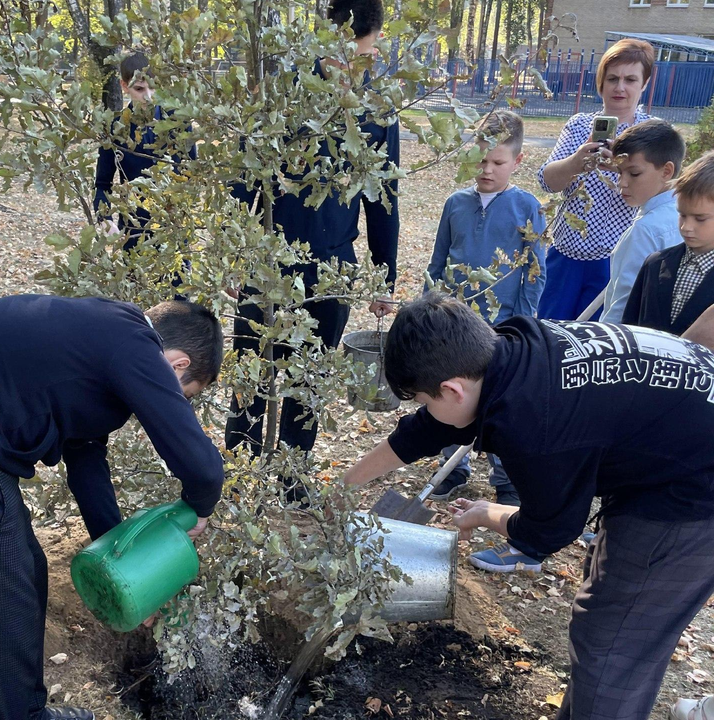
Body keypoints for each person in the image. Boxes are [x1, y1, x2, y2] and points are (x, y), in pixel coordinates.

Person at [343, 293, 714, 720]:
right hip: (675, 444)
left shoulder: (535, 427)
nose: (427, 411)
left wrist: (486, 513)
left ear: (451, 388)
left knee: (614, 643)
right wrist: (346, 485)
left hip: (692, 494)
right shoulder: (509, 348)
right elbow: (426, 428)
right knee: (605, 622)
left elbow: (549, 531)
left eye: (426, 400)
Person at [0, 296, 225, 720]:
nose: (176, 399)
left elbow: (86, 465)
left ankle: (21, 709)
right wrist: (200, 506)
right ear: (177, 365)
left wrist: (126, 566)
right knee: (6, 589)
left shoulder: (102, 337)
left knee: (17, 574)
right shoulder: (135, 344)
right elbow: (201, 466)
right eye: (183, 393)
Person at [225, 0, 399, 494]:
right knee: (254, 368)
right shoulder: (281, 94)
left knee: (310, 377)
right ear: (323, 41)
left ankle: (291, 477)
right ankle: (239, 473)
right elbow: (243, 180)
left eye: (360, 59)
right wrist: (238, 254)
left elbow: (383, 198)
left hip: (333, 267)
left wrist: (383, 275)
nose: (348, 71)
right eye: (339, 58)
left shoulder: (378, 109)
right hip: (268, 261)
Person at [424, 109, 547, 519]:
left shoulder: (528, 207)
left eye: (497, 162)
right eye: (480, 160)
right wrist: (432, 312)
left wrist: (522, 324)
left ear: (517, 161)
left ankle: (505, 479)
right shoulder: (455, 204)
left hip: (499, 328)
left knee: (500, 401)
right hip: (455, 327)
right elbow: (438, 264)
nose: (487, 170)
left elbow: (534, 272)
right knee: (448, 393)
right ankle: (452, 469)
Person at [537, 38, 655, 321]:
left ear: (645, 84)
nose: (620, 87)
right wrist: (577, 161)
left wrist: (622, 167)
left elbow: (660, 192)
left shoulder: (651, 133)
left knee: (597, 344)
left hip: (616, 261)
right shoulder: (578, 125)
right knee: (552, 335)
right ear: (601, 81)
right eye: (612, 78)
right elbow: (547, 181)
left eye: (630, 79)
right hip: (565, 256)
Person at [93, 52, 195, 251]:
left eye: (152, 87)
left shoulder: (178, 122)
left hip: (173, 230)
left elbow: (192, 174)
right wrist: (105, 220)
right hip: (133, 229)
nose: (147, 96)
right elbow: (102, 185)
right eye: (139, 89)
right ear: (124, 86)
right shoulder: (114, 128)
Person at [600, 120, 686, 322]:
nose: (622, 183)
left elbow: (624, 304)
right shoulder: (688, 213)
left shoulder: (646, 230)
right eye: (620, 172)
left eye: (634, 173)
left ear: (667, 171)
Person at [623, 151, 714, 335]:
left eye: (700, 218)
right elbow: (630, 327)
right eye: (682, 215)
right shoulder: (655, 263)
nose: (687, 227)